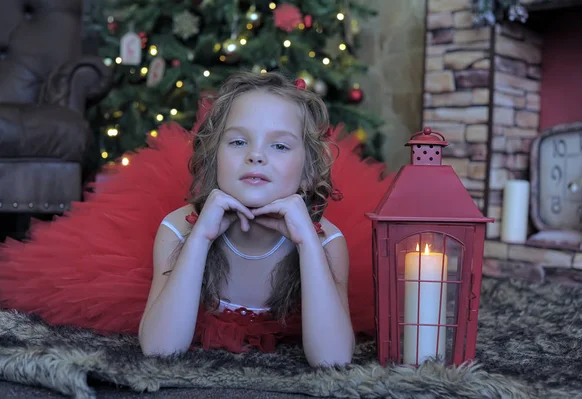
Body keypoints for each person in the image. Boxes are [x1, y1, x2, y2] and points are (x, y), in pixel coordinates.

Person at [0, 72, 393, 367]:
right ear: (214, 158)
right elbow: (160, 348)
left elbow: (334, 361)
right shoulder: (179, 229)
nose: (256, 155)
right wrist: (201, 238)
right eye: (238, 141)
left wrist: (306, 241)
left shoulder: (326, 242)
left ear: (308, 171)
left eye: (279, 145)